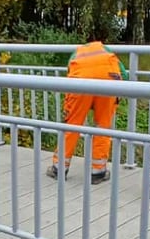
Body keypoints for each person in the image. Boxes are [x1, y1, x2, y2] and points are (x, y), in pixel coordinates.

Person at [48, 37, 129, 184]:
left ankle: (58, 168)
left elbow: (70, 75)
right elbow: (124, 74)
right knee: (103, 126)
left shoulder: (77, 54)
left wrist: (79, 104)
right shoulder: (106, 51)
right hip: (109, 80)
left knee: (71, 125)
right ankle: (98, 172)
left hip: (80, 81)